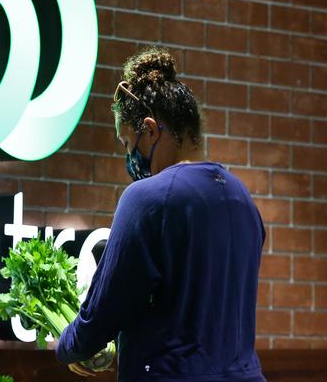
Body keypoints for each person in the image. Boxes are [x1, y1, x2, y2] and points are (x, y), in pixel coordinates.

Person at [56, 47, 266, 382]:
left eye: (127, 143)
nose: (130, 156)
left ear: (151, 130)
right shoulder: (243, 199)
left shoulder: (147, 199)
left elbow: (105, 308)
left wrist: (69, 346)